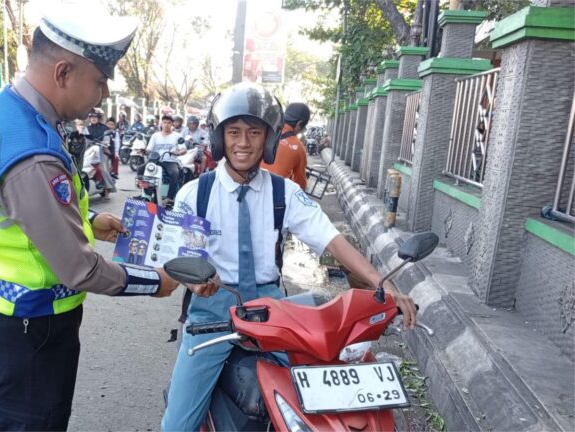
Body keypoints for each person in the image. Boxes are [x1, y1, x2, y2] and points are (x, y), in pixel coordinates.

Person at [0, 13, 204, 431]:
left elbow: (17, 207)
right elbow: (79, 268)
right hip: (27, 328)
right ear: (64, 72)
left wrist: (87, 219)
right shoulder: (32, 152)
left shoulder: (2, 112)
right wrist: (154, 281)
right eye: (100, 81)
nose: (104, 95)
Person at [161, 82, 418, 431]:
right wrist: (196, 280)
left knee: (319, 397)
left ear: (268, 139)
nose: (243, 142)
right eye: (233, 132)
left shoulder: (284, 193)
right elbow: (184, 255)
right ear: (220, 138)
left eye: (254, 132)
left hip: (273, 313)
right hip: (214, 314)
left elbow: (332, 240)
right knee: (177, 425)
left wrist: (384, 285)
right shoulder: (196, 194)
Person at [138, 114, 186, 207]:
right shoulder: (155, 135)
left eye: (169, 123)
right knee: (140, 169)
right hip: (156, 161)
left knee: (175, 173)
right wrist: (144, 151)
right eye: (164, 122)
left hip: (170, 161)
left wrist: (178, 153)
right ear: (161, 123)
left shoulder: (177, 136)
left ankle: (170, 197)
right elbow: (149, 149)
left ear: (172, 124)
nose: (166, 125)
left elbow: (184, 149)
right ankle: (145, 192)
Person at [261, 102, 310, 190]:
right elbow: (300, 183)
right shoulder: (298, 147)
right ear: (299, 124)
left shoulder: (263, 131)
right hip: (275, 198)